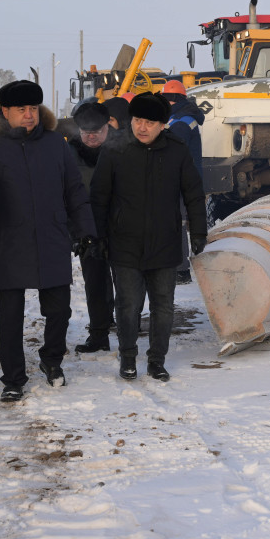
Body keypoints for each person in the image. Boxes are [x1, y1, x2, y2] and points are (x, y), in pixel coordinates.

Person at [0, 80, 93, 403]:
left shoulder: (56, 143)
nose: (29, 115)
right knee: (10, 316)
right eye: (22, 110)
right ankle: (13, 378)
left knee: (60, 310)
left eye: (33, 109)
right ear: (5, 112)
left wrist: (85, 230)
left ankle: (51, 360)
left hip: (51, 236)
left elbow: (74, 189)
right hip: (7, 239)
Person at [91, 92, 206, 381]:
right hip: (124, 242)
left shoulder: (177, 151)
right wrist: (98, 235)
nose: (142, 127)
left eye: (150, 122)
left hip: (165, 242)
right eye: (138, 120)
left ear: (163, 125)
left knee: (163, 306)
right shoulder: (115, 151)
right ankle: (127, 357)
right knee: (128, 305)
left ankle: (157, 360)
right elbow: (99, 196)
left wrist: (199, 230)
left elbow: (193, 192)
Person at [65, 101, 119, 354]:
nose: (91, 136)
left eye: (96, 131)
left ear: (107, 126)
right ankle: (99, 334)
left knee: (127, 282)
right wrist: (73, 231)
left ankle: (128, 331)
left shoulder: (124, 148)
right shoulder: (68, 152)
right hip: (87, 228)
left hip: (121, 226)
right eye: (85, 132)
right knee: (95, 282)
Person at [161, 80, 205, 285]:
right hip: (185, 177)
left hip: (180, 179)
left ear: (171, 100)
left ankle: (181, 271)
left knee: (176, 222)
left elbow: (171, 149)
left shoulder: (180, 122)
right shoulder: (182, 117)